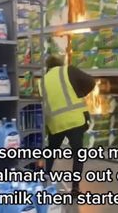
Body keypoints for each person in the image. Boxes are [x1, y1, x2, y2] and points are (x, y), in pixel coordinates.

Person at [41, 55, 95, 197]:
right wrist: (80, 92)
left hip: (55, 123)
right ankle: (75, 188)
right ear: (61, 63)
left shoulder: (42, 81)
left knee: (51, 152)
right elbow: (91, 82)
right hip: (75, 120)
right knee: (78, 154)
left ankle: (43, 182)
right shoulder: (68, 71)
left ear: (47, 67)